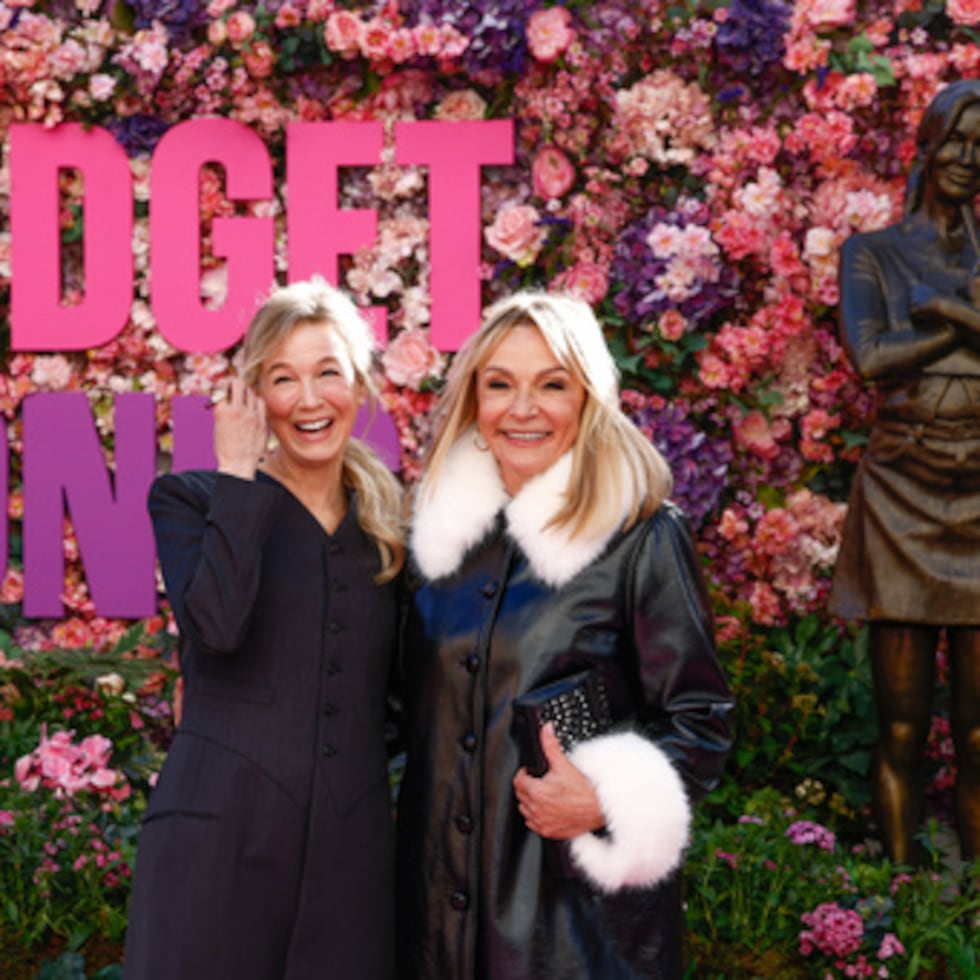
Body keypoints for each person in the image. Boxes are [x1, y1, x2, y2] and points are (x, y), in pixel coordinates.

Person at [396, 291, 734, 979]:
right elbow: (395, 718)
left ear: (588, 399)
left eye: (552, 384)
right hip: (434, 925)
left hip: (577, 937)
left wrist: (609, 797)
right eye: (500, 385)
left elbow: (701, 719)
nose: (523, 409)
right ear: (474, 404)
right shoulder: (435, 546)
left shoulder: (640, 534)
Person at [123, 277, 404, 979]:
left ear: (361, 385)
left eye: (328, 372)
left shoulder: (392, 533)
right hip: (216, 843)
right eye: (284, 379)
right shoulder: (191, 498)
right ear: (255, 397)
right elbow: (215, 628)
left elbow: (405, 698)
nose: (309, 399)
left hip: (351, 861)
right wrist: (238, 472)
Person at [828, 79, 980, 867]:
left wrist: (945, 309)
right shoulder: (875, 254)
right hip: (902, 495)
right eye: (956, 139)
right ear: (926, 145)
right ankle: (901, 892)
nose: (967, 157)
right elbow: (872, 358)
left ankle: (975, 911)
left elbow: (907, 339)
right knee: (900, 725)